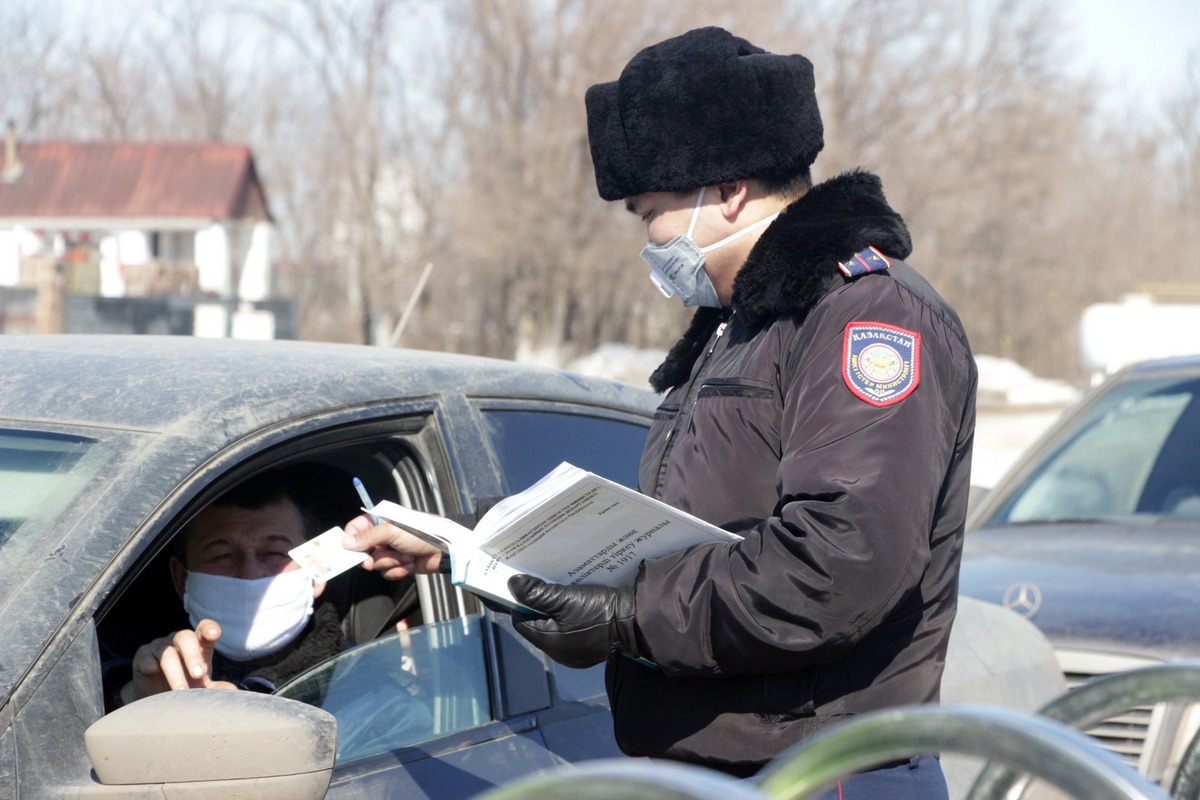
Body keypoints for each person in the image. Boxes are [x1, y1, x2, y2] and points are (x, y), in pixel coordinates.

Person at [344, 27, 976, 798]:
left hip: (819, 774)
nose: (649, 243)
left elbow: (840, 562)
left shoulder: (865, 315)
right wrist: (471, 540)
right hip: (716, 771)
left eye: (652, 213)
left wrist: (627, 617)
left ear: (731, 190)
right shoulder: (739, 326)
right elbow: (673, 521)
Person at [110, 470, 346, 707]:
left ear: (317, 572)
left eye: (274, 554)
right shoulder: (117, 667)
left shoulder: (366, 670)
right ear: (181, 578)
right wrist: (135, 702)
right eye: (222, 556)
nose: (249, 574)